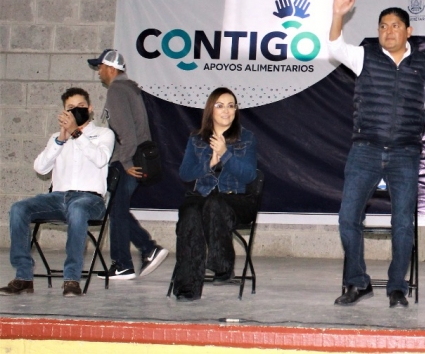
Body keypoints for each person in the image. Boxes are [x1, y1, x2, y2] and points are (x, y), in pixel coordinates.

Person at [329, 0, 425, 308]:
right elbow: (335, 47)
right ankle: (358, 282)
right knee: (347, 218)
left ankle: (398, 286)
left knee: (403, 223)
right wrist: (338, 15)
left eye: (395, 25)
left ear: (408, 31)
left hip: (405, 153)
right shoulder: (364, 56)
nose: (388, 31)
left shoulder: (423, 64)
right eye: (383, 26)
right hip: (365, 150)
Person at [0, 88, 114, 297]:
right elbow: (40, 168)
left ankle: (71, 279)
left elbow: (100, 159)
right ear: (64, 111)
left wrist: (76, 133)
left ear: (90, 108)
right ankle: (23, 277)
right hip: (57, 198)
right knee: (18, 209)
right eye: (71, 108)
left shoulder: (103, 134)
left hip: (89, 199)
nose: (76, 110)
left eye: (81, 106)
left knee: (77, 209)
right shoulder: (56, 137)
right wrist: (61, 139)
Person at [172, 88, 258, 302]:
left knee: (215, 204)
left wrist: (225, 154)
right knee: (190, 213)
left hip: (236, 199)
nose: (226, 111)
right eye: (220, 106)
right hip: (202, 195)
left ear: (236, 110)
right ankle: (187, 288)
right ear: (211, 109)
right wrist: (208, 164)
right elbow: (185, 173)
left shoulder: (247, 138)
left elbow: (249, 175)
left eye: (231, 106)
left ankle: (222, 266)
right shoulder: (196, 139)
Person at [88, 49, 168, 280]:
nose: (98, 72)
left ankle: (126, 262)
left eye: (100, 67)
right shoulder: (129, 89)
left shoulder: (117, 90)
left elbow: (128, 135)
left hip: (128, 160)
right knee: (117, 210)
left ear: (110, 68)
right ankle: (145, 251)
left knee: (117, 210)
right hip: (134, 158)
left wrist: (124, 162)